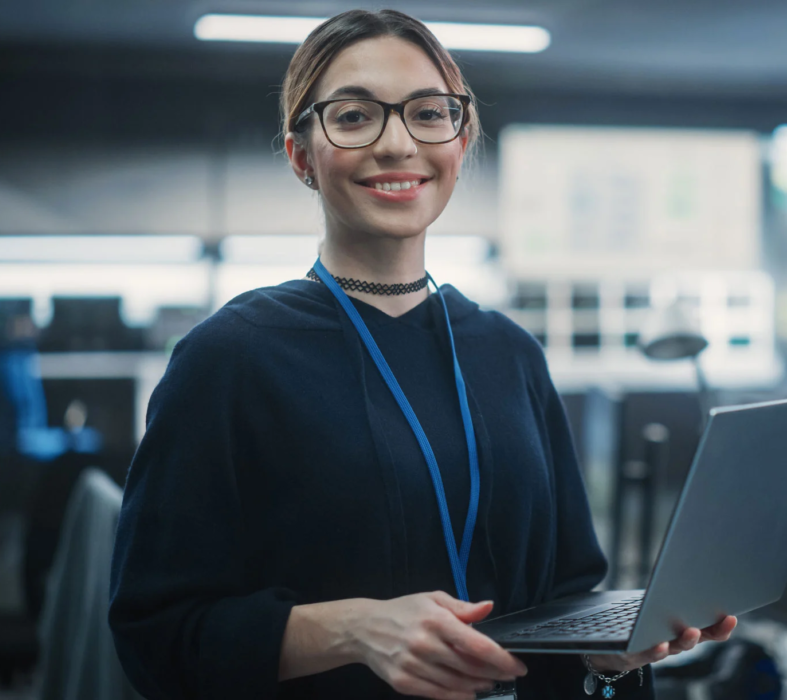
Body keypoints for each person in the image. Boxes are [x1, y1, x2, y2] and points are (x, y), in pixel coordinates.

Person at [108, 9, 736, 700]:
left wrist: (609, 649)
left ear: (459, 142)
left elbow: (566, 592)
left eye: (428, 114)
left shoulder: (510, 353)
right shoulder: (228, 359)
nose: (397, 144)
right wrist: (351, 629)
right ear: (301, 155)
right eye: (353, 117)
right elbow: (155, 634)